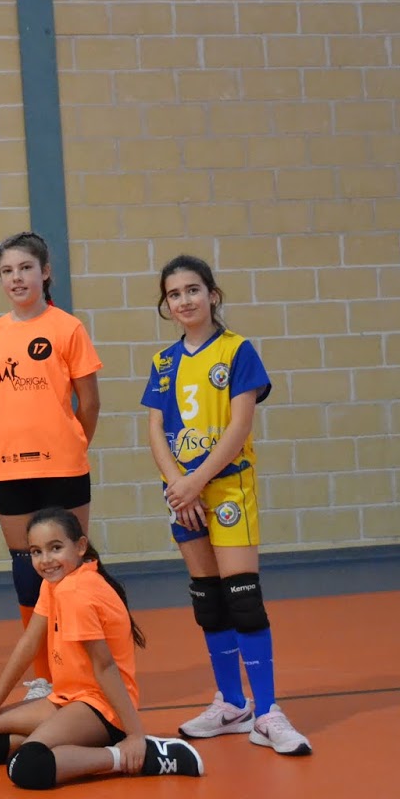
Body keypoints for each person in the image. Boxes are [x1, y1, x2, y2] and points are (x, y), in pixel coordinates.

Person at [145, 255, 311, 755]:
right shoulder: (163, 363)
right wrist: (178, 484)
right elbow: (155, 428)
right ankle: (231, 704)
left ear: (213, 294)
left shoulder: (237, 351)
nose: (185, 301)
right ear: (166, 305)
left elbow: (239, 427)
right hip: (184, 494)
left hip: (227, 489)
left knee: (243, 597)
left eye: (193, 290)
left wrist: (196, 481)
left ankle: (267, 713)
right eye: (174, 294)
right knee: (209, 600)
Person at [0, 508, 206, 786]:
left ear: (80, 546)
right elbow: (29, 643)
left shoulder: (75, 591)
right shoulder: (55, 584)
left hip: (100, 707)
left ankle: (128, 755)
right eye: (36, 552)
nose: (46, 560)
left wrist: (135, 734)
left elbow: (104, 665)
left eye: (55, 548)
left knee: (26, 766)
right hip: (66, 698)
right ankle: (59, 740)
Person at [0, 232, 102, 702]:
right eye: (7, 271)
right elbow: (0, 402)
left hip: (63, 466)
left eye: (25, 268)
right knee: (28, 569)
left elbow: (89, 402)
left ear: (45, 272)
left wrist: (69, 443)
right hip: (10, 468)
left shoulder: (68, 328)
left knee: (72, 566)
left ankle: (85, 667)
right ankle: (45, 675)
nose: (16, 278)